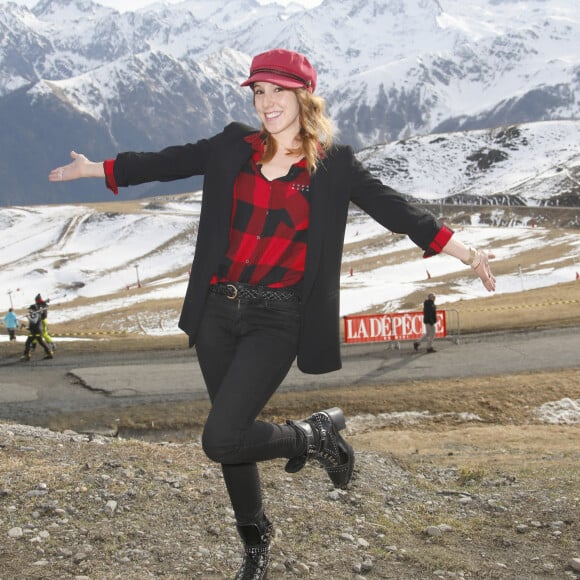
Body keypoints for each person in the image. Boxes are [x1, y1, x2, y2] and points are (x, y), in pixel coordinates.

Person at [48, 48, 496, 579]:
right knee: (231, 433)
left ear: (304, 96)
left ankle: (311, 438)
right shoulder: (233, 146)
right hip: (217, 311)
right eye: (259, 91)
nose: (266, 102)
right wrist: (97, 168)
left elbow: (397, 210)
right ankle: (256, 537)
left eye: (278, 91)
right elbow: (168, 162)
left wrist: (467, 253)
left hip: (277, 320)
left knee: (219, 438)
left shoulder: (333, 166)